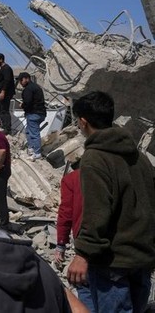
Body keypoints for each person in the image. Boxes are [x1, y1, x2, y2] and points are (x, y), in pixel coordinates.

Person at [67, 91, 155, 313]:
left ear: (83, 121)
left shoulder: (95, 158)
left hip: (113, 261)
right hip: (142, 256)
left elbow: (97, 212)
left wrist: (82, 254)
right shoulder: (139, 156)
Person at [56, 162, 93, 312]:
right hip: (124, 247)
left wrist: (61, 244)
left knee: (85, 286)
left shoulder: (72, 179)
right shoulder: (121, 172)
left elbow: (65, 213)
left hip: (85, 243)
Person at [17, 72, 46, 159]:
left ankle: (37, 153)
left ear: (26, 79)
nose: (20, 83)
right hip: (40, 113)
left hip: (33, 113)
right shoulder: (36, 87)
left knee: (34, 133)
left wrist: (22, 105)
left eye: (21, 80)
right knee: (28, 131)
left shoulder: (28, 89)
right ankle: (31, 149)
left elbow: (28, 102)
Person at [0, 53, 15, 133]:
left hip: (5, 93)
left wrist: (3, 92)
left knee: (4, 110)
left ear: (1, 60)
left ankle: (7, 128)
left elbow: (7, 80)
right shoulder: (3, 68)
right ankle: (4, 125)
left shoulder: (6, 68)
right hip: (2, 93)